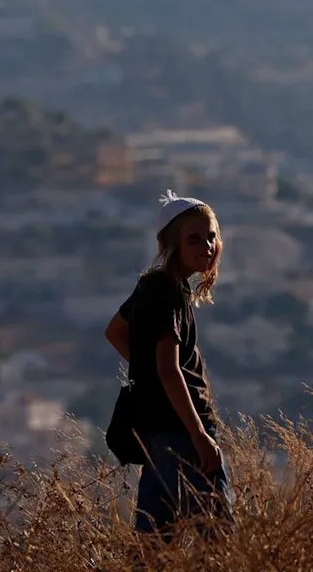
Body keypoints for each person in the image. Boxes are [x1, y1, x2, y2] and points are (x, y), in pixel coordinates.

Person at [103, 190, 233, 539]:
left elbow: (115, 331)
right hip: (182, 433)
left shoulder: (151, 285)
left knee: (153, 547)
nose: (207, 246)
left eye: (211, 236)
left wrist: (145, 370)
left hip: (155, 436)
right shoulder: (170, 293)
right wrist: (199, 435)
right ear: (171, 243)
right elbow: (169, 369)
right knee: (218, 539)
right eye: (194, 238)